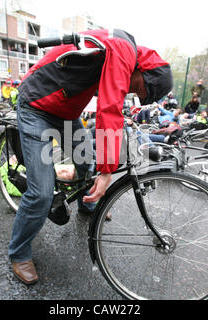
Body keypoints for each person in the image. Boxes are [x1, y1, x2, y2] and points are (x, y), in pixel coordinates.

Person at [9, 29, 172, 285]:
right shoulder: (123, 51)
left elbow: (113, 105)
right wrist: (107, 171)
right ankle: (18, 252)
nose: (131, 90)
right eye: (138, 88)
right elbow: (108, 107)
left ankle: (86, 203)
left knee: (86, 162)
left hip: (66, 111)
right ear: (144, 72)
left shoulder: (122, 54)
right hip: (37, 107)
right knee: (41, 193)